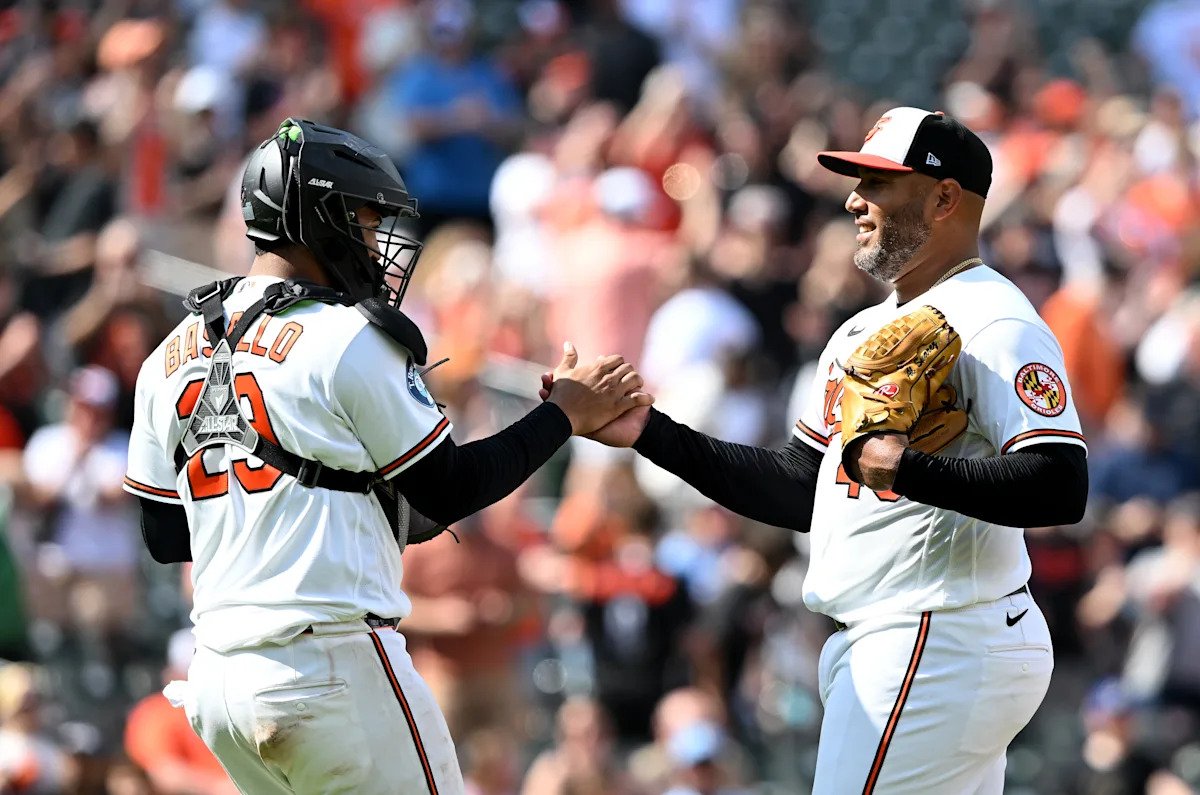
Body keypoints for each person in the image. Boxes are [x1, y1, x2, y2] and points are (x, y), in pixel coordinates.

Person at [554, 108, 1090, 793]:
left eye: (877, 181)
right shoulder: (862, 329)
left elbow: (1060, 483)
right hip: (911, 634)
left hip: (934, 630)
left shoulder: (994, 319)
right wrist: (649, 433)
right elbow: (796, 486)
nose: (853, 198)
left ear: (945, 197)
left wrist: (907, 467)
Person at [123, 118, 651, 795]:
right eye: (366, 220)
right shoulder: (346, 336)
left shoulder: (166, 355)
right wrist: (564, 415)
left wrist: (311, 497)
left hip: (220, 681)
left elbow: (165, 535)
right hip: (332, 667)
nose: (377, 244)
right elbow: (449, 487)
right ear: (322, 218)